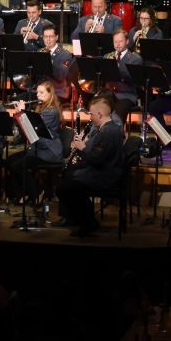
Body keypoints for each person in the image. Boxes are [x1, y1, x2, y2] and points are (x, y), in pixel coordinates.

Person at [58, 95, 125, 236]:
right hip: (102, 170)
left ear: (100, 114)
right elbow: (96, 152)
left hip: (105, 175)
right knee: (68, 178)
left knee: (66, 188)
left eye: (92, 114)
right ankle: (84, 219)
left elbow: (97, 159)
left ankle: (87, 223)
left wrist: (82, 147)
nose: (90, 117)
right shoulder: (107, 128)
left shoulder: (108, 132)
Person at [6, 81, 64, 206]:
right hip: (38, 148)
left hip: (49, 151)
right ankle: (23, 194)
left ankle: (38, 192)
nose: (38, 95)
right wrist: (20, 114)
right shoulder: (41, 107)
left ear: (50, 94)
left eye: (42, 92)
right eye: (37, 92)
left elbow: (32, 132)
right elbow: (27, 133)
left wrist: (21, 113)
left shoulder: (51, 112)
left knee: (18, 165)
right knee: (10, 160)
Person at [104, 29, 143, 123]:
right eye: (115, 42)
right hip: (110, 93)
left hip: (127, 95)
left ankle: (117, 135)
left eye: (120, 41)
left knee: (117, 115)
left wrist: (116, 66)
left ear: (127, 41)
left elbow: (131, 78)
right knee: (97, 106)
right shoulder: (107, 56)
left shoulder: (135, 59)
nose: (118, 44)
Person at [39, 23, 74, 103]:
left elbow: (60, 76)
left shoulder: (65, 55)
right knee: (18, 100)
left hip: (57, 92)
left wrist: (48, 61)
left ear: (56, 37)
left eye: (51, 36)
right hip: (41, 91)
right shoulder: (40, 52)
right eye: (45, 36)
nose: (48, 39)